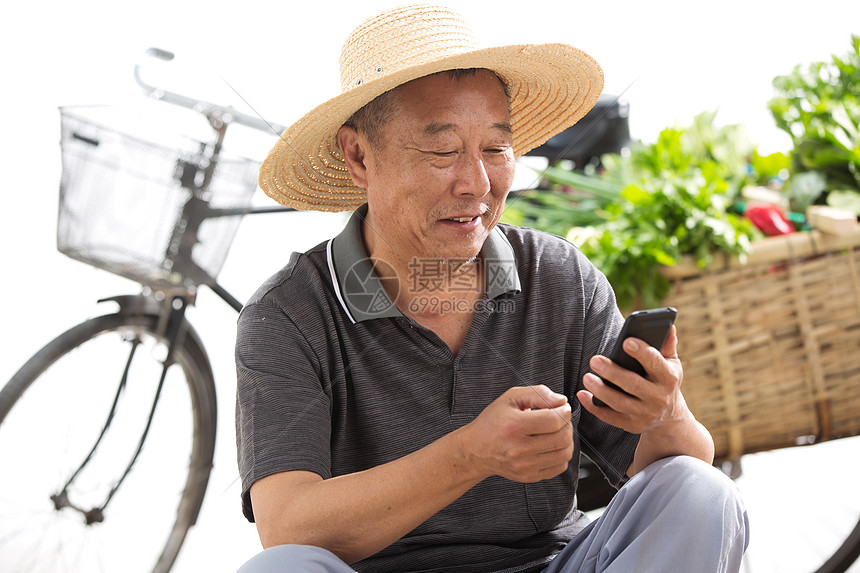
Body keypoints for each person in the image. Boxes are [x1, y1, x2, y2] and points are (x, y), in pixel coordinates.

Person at [235, 4, 749, 572]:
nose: (477, 184)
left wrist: (663, 411)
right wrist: (471, 454)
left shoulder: (560, 279)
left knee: (702, 491)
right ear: (358, 155)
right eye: (442, 150)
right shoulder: (288, 313)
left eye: (496, 149)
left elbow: (683, 475)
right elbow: (286, 526)